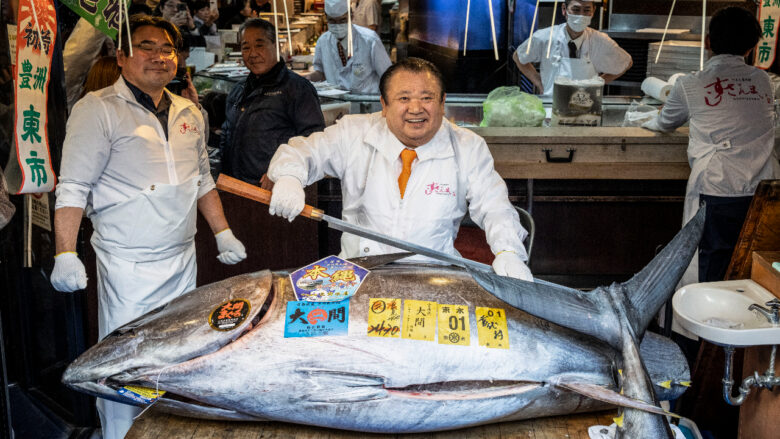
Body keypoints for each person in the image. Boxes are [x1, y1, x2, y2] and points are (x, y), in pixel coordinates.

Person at [50, 15, 246, 439]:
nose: (159, 56)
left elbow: (202, 181)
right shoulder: (97, 109)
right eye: (146, 46)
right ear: (121, 56)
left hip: (182, 260)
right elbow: (73, 187)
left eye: (167, 49)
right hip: (127, 266)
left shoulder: (189, 110)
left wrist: (222, 232)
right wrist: (64, 252)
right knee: (127, 368)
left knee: (178, 363)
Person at [267, 58, 532, 280]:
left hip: (434, 276)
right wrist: (289, 176)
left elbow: (495, 206)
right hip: (357, 274)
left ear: (442, 102)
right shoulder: (353, 132)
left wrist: (508, 251)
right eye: (404, 98)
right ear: (384, 105)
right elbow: (302, 151)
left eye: (427, 98)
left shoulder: (468, 146)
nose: (415, 109)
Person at [643, 6, 780, 284]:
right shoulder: (763, 81)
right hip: (764, 187)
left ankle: (707, 311)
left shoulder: (690, 84)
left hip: (719, 186)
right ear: (752, 46)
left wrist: (648, 119)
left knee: (714, 267)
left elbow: (665, 123)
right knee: (753, 267)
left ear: (708, 41)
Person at [220, 18, 325, 186]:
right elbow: (226, 135)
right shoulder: (238, 90)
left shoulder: (297, 89)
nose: (253, 53)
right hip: (235, 188)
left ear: (276, 46)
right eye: (246, 47)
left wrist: (282, 170)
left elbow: (313, 139)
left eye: (259, 45)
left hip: (275, 189)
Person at [513, 0, 632, 96]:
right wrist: (539, 82)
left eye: (586, 10)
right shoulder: (545, 37)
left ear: (593, 11)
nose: (581, 15)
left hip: (587, 106)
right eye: (576, 10)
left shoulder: (600, 41)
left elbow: (627, 63)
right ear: (564, 9)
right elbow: (518, 56)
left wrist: (599, 82)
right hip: (552, 105)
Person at [308, 0, 392, 94]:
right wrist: (308, 78)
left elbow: (388, 76)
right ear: (326, 19)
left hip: (367, 101)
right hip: (337, 101)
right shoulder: (323, 42)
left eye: (342, 20)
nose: (338, 26)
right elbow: (320, 72)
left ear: (351, 17)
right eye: (332, 21)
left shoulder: (370, 40)